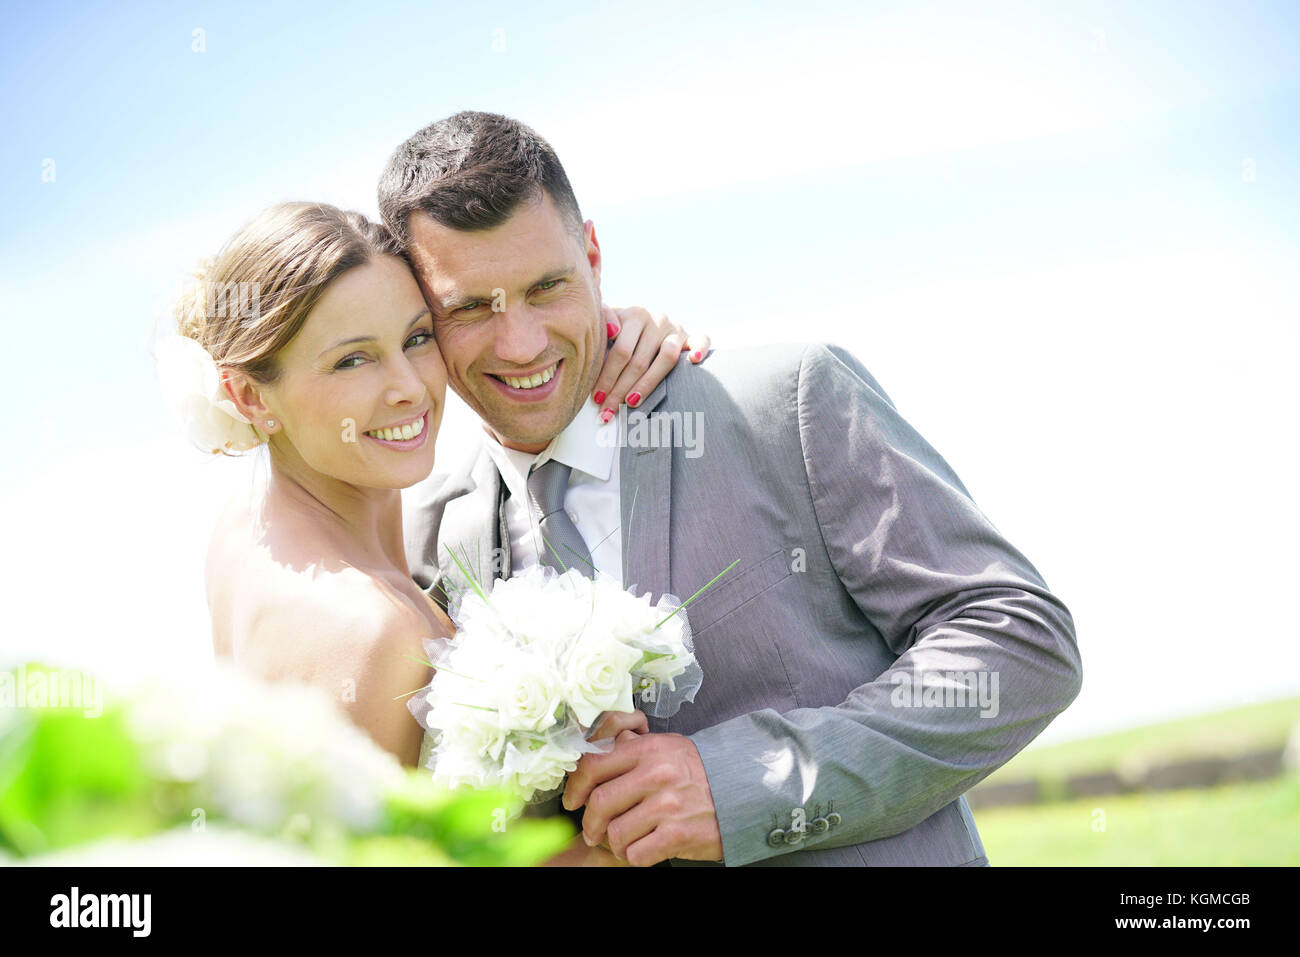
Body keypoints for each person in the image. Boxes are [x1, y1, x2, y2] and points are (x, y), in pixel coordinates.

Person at [385, 111, 1084, 867]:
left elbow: (1019, 640)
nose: (520, 344)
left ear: (591, 255)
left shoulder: (782, 400)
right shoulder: (425, 544)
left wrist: (747, 784)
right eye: (470, 307)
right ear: (421, 318)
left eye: (546, 286)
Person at [159, 201, 701, 778]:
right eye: (352, 360)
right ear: (248, 398)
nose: (409, 388)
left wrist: (598, 332)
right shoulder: (376, 633)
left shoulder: (245, 529)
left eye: (417, 337)